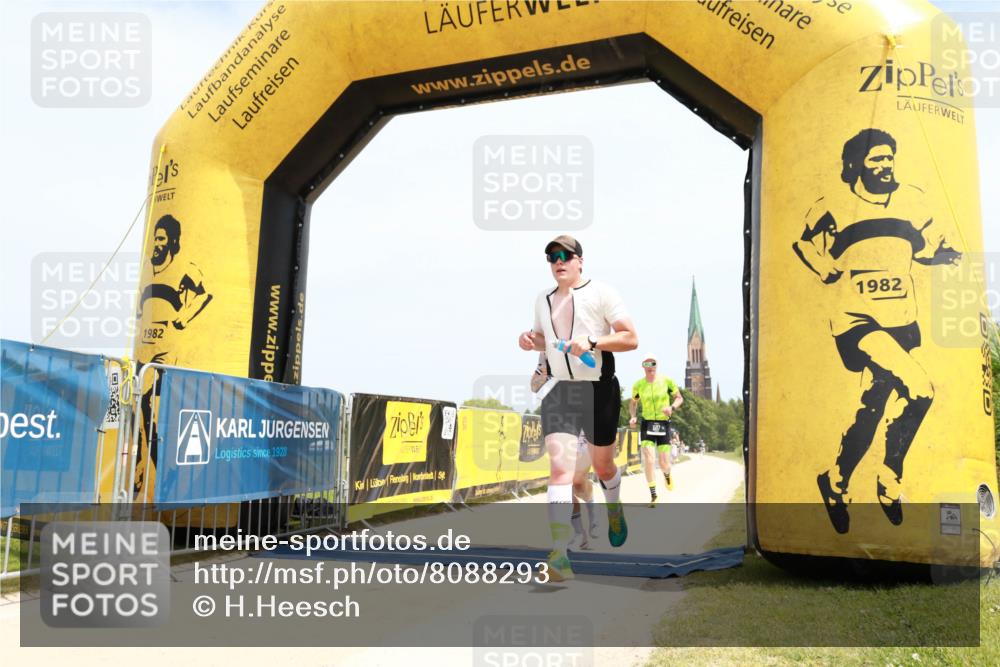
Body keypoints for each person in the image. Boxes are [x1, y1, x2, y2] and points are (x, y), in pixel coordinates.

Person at [792, 128, 960, 534]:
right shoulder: (833, 203)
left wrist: (945, 257)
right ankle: (890, 477)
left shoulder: (913, 201)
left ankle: (834, 481)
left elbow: (923, 251)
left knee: (870, 409)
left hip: (901, 320)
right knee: (921, 388)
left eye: (889, 159)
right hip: (856, 321)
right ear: (855, 165)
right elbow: (803, 242)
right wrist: (822, 266)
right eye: (876, 160)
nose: (885, 166)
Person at [518, 235, 638, 581]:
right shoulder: (542, 299)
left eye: (565, 256)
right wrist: (528, 340)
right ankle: (559, 554)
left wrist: (593, 341)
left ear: (580, 261)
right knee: (560, 470)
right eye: (552, 257)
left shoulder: (603, 293)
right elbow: (545, 341)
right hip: (560, 391)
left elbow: (630, 338)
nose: (559, 261)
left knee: (602, 467)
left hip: (600, 389)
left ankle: (613, 506)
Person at [134, 213, 213, 496]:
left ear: (172, 242)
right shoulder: (147, 268)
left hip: (167, 353)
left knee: (150, 408)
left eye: (161, 239)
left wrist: (183, 317)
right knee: (140, 413)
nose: (156, 244)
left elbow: (204, 294)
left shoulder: (184, 268)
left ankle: (157, 472)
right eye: (155, 238)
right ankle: (150, 471)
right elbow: (142, 305)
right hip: (145, 350)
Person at [628, 354, 684, 507]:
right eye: (647, 365)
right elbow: (633, 403)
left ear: (657, 366)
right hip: (647, 424)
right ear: (643, 367)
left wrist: (671, 407)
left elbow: (679, 398)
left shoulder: (667, 381)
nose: (650, 368)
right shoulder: (638, 385)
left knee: (664, 463)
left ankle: (667, 474)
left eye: (653, 365)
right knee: (649, 460)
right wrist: (633, 416)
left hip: (663, 423)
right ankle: (653, 494)